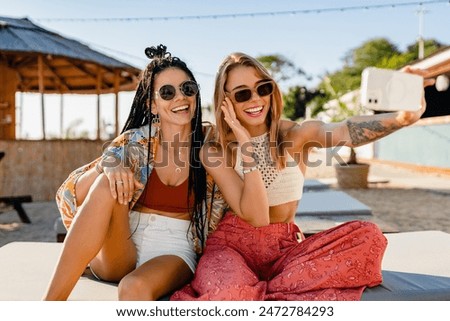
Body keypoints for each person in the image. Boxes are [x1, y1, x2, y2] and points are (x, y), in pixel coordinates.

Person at [171, 52, 434, 301]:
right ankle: (260, 290)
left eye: (263, 88)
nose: (255, 99)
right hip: (232, 248)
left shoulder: (297, 135)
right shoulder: (215, 150)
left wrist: (402, 118)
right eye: (242, 94)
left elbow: (346, 132)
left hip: (285, 250)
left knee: (369, 236)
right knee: (230, 294)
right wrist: (245, 145)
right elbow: (256, 217)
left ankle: (258, 291)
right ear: (225, 100)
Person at [43, 45, 226, 301]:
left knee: (133, 287)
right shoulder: (135, 143)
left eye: (188, 89)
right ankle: (49, 306)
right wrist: (104, 165)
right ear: (152, 105)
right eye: (167, 92)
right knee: (106, 183)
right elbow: (68, 195)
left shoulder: (212, 145)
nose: (180, 98)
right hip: (121, 244)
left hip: (174, 249)